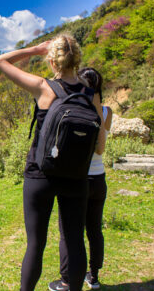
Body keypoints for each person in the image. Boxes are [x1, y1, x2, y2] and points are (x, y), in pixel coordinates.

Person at [0, 34, 106, 291]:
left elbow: (0, 61)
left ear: (52, 61)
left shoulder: (44, 87)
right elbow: (99, 142)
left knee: (36, 243)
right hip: (78, 176)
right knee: (76, 241)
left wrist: (35, 48)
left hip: (40, 173)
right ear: (78, 58)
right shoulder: (91, 95)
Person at [48, 68, 113, 291]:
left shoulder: (72, 108)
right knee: (95, 230)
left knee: (68, 232)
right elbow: (100, 148)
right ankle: (93, 277)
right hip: (99, 178)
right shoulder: (106, 111)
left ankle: (67, 280)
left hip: (78, 179)